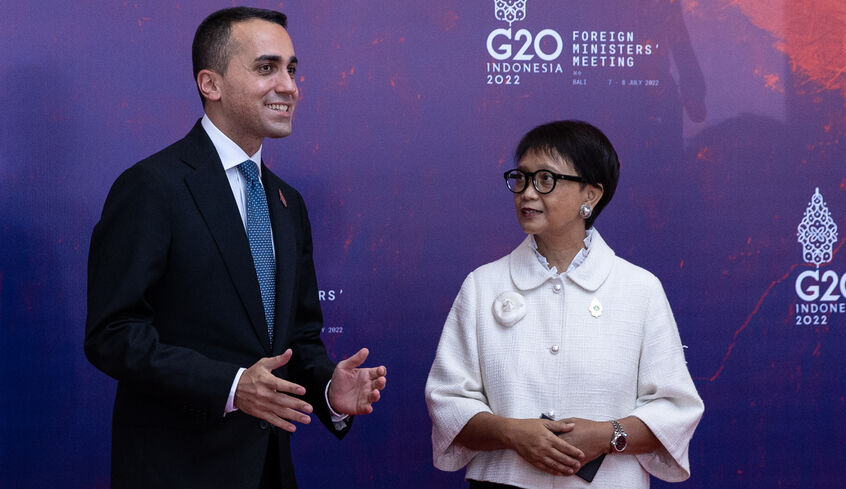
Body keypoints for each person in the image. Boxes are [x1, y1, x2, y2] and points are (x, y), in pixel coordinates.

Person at [84, 7, 386, 489]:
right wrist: (230, 386)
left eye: (292, 69)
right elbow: (113, 334)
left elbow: (298, 340)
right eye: (266, 68)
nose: (288, 85)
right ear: (211, 84)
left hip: (269, 470)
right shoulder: (152, 187)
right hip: (175, 470)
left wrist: (329, 387)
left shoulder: (288, 203)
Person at [425, 120, 703, 488]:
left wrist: (607, 434)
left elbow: (675, 409)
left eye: (545, 180)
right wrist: (512, 432)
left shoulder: (639, 289)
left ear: (590, 195)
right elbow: (448, 402)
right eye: (521, 179)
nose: (527, 193)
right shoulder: (482, 285)